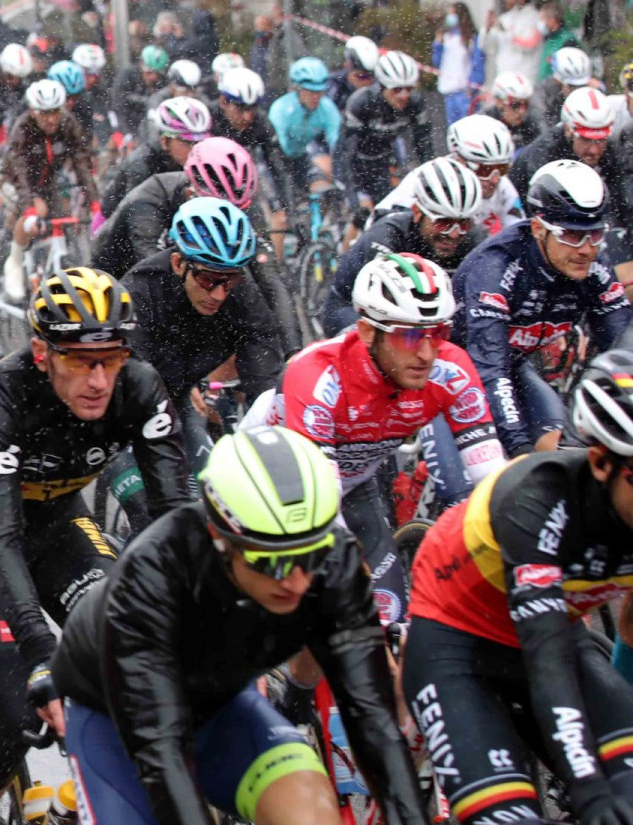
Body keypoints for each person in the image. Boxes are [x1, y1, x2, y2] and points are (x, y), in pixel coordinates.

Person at [50, 426, 427, 825]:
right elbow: (162, 756)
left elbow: (373, 722)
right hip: (117, 722)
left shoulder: (335, 564)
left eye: (311, 556)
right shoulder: (153, 578)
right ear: (220, 535)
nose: (297, 580)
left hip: (221, 708)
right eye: (273, 561)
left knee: (311, 815)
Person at [0, 267, 187, 825]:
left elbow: (174, 515)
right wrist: (41, 651)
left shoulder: (138, 386)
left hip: (58, 525)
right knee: (24, 704)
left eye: (111, 358)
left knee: (131, 658)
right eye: (78, 360)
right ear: (43, 353)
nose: (98, 380)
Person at [406, 352, 633, 825]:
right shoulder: (538, 498)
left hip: (557, 636)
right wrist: (588, 789)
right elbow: (546, 659)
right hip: (456, 641)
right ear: (600, 462)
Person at [259, 251, 504, 623]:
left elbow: (491, 478)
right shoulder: (318, 375)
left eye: (437, 333)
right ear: (367, 331)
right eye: (408, 335)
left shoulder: (451, 369)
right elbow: (319, 508)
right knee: (326, 611)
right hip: (270, 493)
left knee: (390, 617)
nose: (426, 353)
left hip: (352, 485)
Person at [453, 160, 632, 458]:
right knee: (493, 475)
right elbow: (490, 369)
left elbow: (623, 351)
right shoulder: (496, 267)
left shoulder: (594, 269)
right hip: (456, 374)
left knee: (564, 453)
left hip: (511, 367)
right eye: (573, 235)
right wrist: (518, 447)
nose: (586, 248)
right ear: (538, 229)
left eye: (596, 235)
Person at [119, 198, 282, 469]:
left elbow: (261, 348)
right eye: (208, 280)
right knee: (152, 498)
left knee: (210, 483)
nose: (219, 293)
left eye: (230, 280)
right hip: (130, 402)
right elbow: (135, 377)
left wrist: (267, 423)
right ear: (178, 263)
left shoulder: (236, 286)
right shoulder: (139, 290)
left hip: (183, 385)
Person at [321, 157, 484, 336]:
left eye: (464, 223)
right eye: (443, 223)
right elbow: (388, 316)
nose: (454, 234)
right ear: (417, 212)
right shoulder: (387, 237)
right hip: (354, 311)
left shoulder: (474, 239)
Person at [91, 137, 256, 279]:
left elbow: (267, 272)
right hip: (117, 274)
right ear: (191, 193)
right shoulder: (148, 199)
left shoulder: (231, 200)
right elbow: (154, 271)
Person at [0, 80, 102, 301]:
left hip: (48, 184)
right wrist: (29, 211)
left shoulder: (68, 124)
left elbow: (81, 164)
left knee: (63, 221)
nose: (51, 119)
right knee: (38, 213)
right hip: (16, 181)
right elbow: (20, 173)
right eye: (45, 113)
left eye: (55, 112)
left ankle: (51, 269)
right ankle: (14, 262)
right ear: (34, 111)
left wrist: (94, 204)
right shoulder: (23, 127)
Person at [512, 88, 633, 277]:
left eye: (600, 141)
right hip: (539, 224)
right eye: (586, 140)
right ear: (568, 130)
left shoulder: (610, 150)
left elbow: (624, 202)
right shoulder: (543, 153)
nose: (594, 150)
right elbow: (541, 219)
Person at [377, 114, 520, 236]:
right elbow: (380, 226)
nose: (495, 179)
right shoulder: (424, 181)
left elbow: (517, 235)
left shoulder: (502, 186)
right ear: (459, 160)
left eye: (502, 168)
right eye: (485, 170)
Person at [339, 49, 433, 209]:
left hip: (380, 159)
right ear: (382, 86)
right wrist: (353, 201)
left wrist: (431, 185)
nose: (404, 96)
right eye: (396, 90)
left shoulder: (415, 103)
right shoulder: (361, 103)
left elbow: (424, 145)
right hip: (350, 161)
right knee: (362, 210)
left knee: (385, 209)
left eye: (409, 89)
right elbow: (347, 154)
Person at [102, 97, 213, 215]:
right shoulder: (142, 164)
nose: (196, 148)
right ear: (165, 141)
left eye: (200, 141)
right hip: (114, 220)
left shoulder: (195, 159)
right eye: (188, 142)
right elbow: (137, 216)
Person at [269, 57, 343, 212]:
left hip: (300, 157)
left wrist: (339, 177)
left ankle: (317, 230)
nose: (316, 96)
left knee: (323, 190)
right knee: (281, 211)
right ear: (298, 88)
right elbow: (276, 149)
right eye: (310, 91)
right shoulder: (281, 108)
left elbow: (337, 145)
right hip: (274, 161)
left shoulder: (327, 108)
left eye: (320, 91)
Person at [434, 1, 486, 126]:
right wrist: (437, 44)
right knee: (453, 127)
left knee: (469, 127)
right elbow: (436, 62)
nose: (450, 18)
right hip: (449, 90)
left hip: (465, 91)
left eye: (453, 14)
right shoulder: (445, 36)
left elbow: (478, 63)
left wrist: (473, 85)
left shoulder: (471, 38)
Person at [483, 0, 542, 83]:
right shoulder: (505, 18)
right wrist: (487, 29)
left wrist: (505, 32)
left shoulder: (534, 17)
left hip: (524, 76)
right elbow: (489, 48)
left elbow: (529, 46)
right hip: (504, 76)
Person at [533, 46, 600, 129]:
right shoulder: (540, 97)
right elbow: (545, 132)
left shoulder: (593, 90)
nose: (577, 91)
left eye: (582, 86)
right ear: (557, 81)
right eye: (572, 86)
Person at [480, 70, 542, 150]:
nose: (522, 111)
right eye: (515, 105)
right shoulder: (484, 124)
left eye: (526, 104)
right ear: (499, 102)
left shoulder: (532, 123)